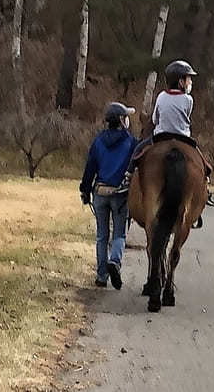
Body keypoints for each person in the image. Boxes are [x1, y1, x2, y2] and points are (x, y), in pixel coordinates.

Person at [118, 60, 214, 206]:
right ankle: (205, 185)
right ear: (180, 82)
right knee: (202, 162)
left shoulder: (161, 96)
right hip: (183, 139)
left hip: (161, 137)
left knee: (138, 151)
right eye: (188, 79)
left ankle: (128, 177)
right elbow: (187, 116)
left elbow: (155, 119)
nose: (190, 82)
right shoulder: (189, 99)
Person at [80, 102, 138, 289]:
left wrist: (85, 190)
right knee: (119, 233)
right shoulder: (131, 142)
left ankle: (101, 276)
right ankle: (115, 261)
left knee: (101, 236)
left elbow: (90, 167)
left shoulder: (98, 141)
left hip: (100, 193)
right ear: (122, 120)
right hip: (120, 194)